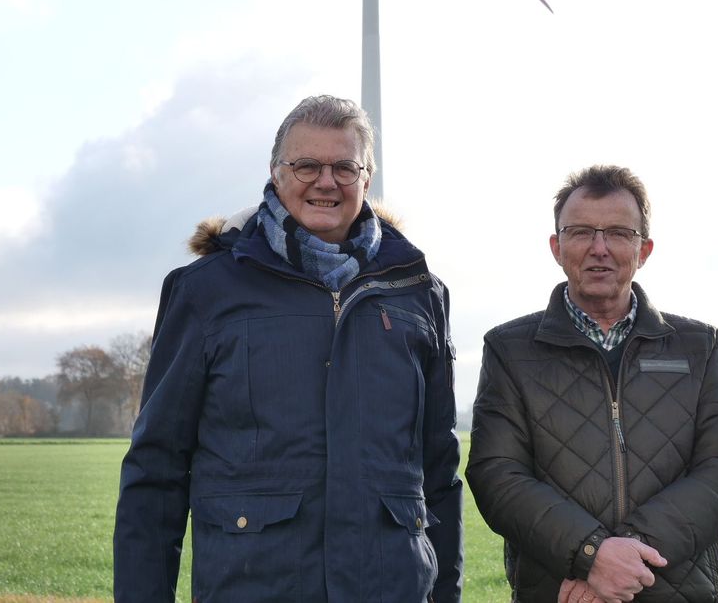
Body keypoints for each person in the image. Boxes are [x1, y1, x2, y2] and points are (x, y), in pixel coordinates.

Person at [113, 95, 463, 602]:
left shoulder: (418, 292)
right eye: (306, 166)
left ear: (367, 178)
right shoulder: (207, 291)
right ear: (276, 174)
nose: (326, 181)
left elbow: (439, 473)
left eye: (345, 166)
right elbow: (156, 472)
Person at [466, 164, 718, 603]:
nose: (599, 248)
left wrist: (620, 557)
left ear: (645, 249)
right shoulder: (510, 350)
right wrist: (589, 554)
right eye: (581, 232)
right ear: (556, 246)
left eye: (619, 233)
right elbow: (497, 475)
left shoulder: (698, 346)